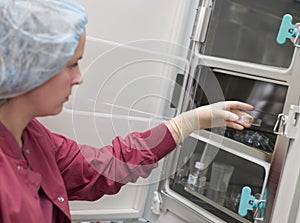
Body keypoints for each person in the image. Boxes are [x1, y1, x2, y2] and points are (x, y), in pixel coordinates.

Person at [0, 0, 254, 222]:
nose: (79, 78)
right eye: (72, 65)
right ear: (29, 68)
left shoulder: (33, 137)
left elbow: (101, 168)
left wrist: (185, 123)